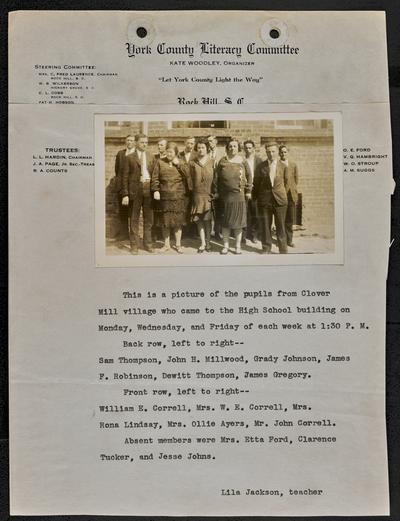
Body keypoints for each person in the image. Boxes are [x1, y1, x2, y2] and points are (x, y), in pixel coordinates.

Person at [151, 142, 192, 254]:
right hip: (164, 197)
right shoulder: (160, 162)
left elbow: (188, 176)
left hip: (178, 197)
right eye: (167, 151)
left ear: (176, 153)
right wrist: (156, 190)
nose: (169, 154)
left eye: (171, 152)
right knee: (165, 222)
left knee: (177, 222)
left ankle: (178, 244)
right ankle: (166, 245)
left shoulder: (181, 163)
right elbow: (155, 178)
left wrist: (178, 164)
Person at [214, 139, 252, 255]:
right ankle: (225, 246)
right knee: (226, 223)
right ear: (227, 148)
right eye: (230, 146)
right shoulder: (223, 161)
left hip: (239, 196)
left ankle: (237, 246)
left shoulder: (243, 161)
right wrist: (216, 191)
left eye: (235, 146)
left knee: (238, 223)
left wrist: (248, 191)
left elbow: (250, 176)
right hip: (225, 197)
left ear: (238, 148)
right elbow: (216, 178)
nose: (232, 148)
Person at [121, 133, 155, 254]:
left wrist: (155, 189)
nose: (144, 144)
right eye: (142, 142)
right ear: (136, 143)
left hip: (148, 190)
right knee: (134, 219)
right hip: (134, 191)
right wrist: (125, 194)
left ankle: (148, 244)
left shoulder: (151, 157)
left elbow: (155, 175)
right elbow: (124, 177)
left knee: (149, 219)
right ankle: (134, 246)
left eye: (146, 142)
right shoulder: (129, 157)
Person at [252, 141, 288, 254]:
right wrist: (256, 198)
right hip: (265, 201)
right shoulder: (260, 166)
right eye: (268, 152)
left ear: (277, 152)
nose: (271, 154)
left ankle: (283, 249)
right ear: (266, 152)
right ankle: (266, 248)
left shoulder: (283, 166)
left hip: (279, 200)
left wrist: (280, 194)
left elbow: (286, 183)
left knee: (281, 226)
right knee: (265, 226)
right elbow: (256, 183)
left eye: (273, 151)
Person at [189, 139, 215, 253]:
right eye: (199, 148)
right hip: (197, 195)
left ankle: (208, 242)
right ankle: (203, 243)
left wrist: (215, 192)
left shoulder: (212, 161)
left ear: (207, 149)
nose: (200, 150)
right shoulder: (192, 162)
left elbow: (217, 179)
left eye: (203, 147)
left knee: (207, 220)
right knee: (199, 221)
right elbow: (189, 179)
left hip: (208, 194)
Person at [114, 135, 135, 241]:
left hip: (133, 188)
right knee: (123, 212)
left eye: (132, 140)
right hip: (122, 188)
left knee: (133, 213)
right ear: (125, 141)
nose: (129, 142)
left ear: (135, 142)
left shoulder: (137, 155)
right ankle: (124, 234)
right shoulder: (120, 154)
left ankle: (133, 235)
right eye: (128, 140)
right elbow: (117, 170)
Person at [279, 144, 299, 247]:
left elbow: (296, 180)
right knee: (281, 219)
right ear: (279, 153)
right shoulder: (277, 165)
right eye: (281, 152)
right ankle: (282, 240)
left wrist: (292, 191)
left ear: (288, 153)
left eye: (285, 152)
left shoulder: (293, 165)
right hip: (281, 196)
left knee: (290, 219)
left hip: (291, 195)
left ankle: (289, 240)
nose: (283, 154)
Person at [243, 139, 262, 243]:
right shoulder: (242, 161)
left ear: (253, 149)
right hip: (245, 190)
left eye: (250, 148)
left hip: (256, 190)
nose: (248, 150)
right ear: (244, 149)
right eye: (246, 148)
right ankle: (244, 235)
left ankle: (254, 235)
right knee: (245, 213)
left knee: (255, 212)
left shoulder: (259, 161)